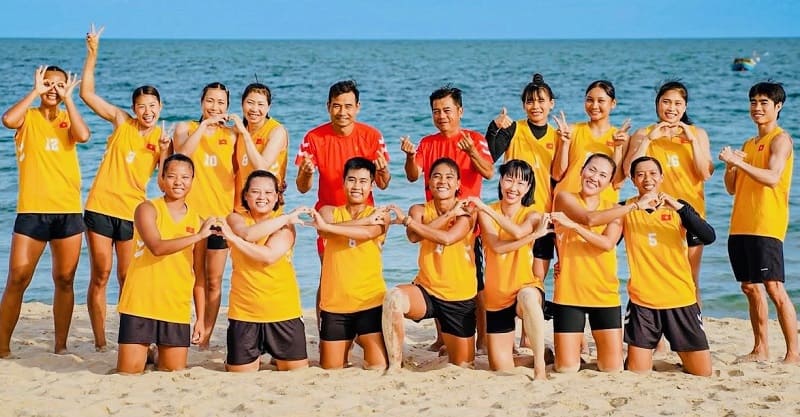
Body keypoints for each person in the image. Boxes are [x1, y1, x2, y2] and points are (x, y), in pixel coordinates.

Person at [80, 24, 171, 351]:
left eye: (153, 106)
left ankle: (132, 337)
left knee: (127, 277)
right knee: (101, 274)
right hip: (101, 207)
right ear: (134, 109)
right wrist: (92, 54)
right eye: (142, 106)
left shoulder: (163, 139)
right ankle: (101, 340)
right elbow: (87, 95)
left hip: (131, 213)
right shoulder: (121, 122)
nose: (147, 111)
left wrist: (164, 153)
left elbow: (164, 184)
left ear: (160, 107)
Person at [0, 64, 89, 358]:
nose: (53, 89)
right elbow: (7, 120)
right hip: (32, 212)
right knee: (17, 278)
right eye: (47, 84)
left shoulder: (67, 118)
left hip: (67, 212)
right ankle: (2, 347)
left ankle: (61, 346)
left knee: (64, 279)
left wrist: (70, 100)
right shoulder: (28, 117)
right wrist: (34, 92)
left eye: (59, 85)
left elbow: (84, 135)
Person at [401, 85, 493, 353]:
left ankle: (484, 338)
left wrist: (471, 152)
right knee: (435, 275)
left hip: (467, 221)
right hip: (434, 219)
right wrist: (409, 156)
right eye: (436, 111)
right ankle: (442, 337)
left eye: (447, 110)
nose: (442, 115)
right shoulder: (428, 143)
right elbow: (411, 175)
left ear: (460, 111)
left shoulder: (474, 138)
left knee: (477, 283)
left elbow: (488, 172)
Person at [719, 81, 800, 364]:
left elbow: (772, 177)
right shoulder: (748, 144)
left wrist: (738, 163)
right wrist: (730, 166)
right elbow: (732, 188)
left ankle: (793, 353)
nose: (757, 107)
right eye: (754, 102)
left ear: (778, 107)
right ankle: (760, 349)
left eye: (764, 102)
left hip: (766, 225)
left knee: (774, 288)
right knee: (749, 287)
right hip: (740, 224)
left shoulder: (781, 139)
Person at [115, 154, 215, 374]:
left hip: (175, 307)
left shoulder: (197, 221)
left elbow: (199, 275)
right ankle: (147, 349)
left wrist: (200, 319)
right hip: (140, 303)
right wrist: (198, 236)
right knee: (128, 373)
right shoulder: (147, 209)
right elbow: (157, 247)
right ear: (161, 179)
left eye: (185, 177)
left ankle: (155, 350)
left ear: (193, 180)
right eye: (171, 176)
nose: (178, 182)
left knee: (172, 371)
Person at [622, 156, 715, 376]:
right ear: (633, 179)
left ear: (662, 177)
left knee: (702, 373)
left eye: (653, 173)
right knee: (638, 372)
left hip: (680, 299)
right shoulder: (626, 209)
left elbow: (708, 236)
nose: (647, 179)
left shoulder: (679, 207)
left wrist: (679, 207)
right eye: (641, 174)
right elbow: (603, 242)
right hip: (642, 301)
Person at [383, 158, 478, 370]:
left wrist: (410, 221)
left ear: (458, 184)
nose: (442, 181)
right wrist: (447, 215)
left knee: (463, 364)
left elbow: (447, 238)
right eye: (436, 176)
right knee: (394, 298)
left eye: (449, 177)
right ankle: (395, 365)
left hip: (458, 296)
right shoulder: (419, 210)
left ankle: (450, 348)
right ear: (429, 181)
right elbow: (413, 237)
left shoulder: (468, 211)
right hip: (426, 290)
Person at [623, 81, 713, 303]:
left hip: (689, 212)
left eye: (677, 103)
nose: (671, 108)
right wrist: (649, 140)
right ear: (657, 105)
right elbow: (628, 171)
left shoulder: (697, 133)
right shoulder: (643, 133)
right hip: (654, 214)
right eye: (666, 102)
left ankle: (693, 331)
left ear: (684, 107)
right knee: (654, 275)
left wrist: (692, 141)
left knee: (690, 278)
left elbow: (705, 173)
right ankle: (657, 335)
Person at [467, 160, 551, 380]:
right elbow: (496, 247)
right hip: (497, 294)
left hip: (526, 286)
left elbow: (516, 233)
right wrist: (534, 237)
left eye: (521, 182)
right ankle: (540, 356)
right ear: (501, 180)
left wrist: (484, 207)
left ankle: (540, 367)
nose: (514, 187)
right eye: (509, 179)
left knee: (527, 296)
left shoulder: (532, 214)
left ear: (529, 186)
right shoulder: (487, 213)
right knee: (499, 366)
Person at [219, 170, 309, 372]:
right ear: (245, 195)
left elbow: (268, 256)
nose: (262, 197)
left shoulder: (285, 227)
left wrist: (233, 240)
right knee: (239, 373)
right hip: (245, 312)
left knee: (296, 371)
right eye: (256, 192)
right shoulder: (235, 218)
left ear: (277, 196)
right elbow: (248, 234)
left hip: (282, 310)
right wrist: (286, 217)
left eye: (269, 192)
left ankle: (275, 356)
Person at [309, 157, 390, 370]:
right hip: (335, 307)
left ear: (372, 185)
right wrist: (329, 226)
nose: (357, 186)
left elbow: (368, 233)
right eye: (351, 180)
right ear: (343, 182)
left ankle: (369, 340)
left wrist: (330, 228)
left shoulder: (380, 215)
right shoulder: (328, 211)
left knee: (377, 367)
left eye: (363, 181)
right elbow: (323, 228)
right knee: (331, 368)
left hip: (370, 304)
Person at [295, 79, 391, 257]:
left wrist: (383, 171)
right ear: (328, 107)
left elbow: (383, 184)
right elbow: (302, 188)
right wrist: (306, 173)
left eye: (348, 106)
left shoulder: (372, 136)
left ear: (357, 107)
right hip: (329, 216)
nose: (343, 112)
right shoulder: (314, 137)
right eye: (337, 106)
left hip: (363, 216)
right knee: (329, 277)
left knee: (362, 275)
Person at [173, 82, 237, 349]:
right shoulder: (185, 128)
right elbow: (180, 158)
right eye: (210, 101)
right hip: (190, 217)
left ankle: (205, 333)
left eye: (221, 103)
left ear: (227, 106)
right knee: (190, 275)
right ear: (201, 102)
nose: (215, 107)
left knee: (213, 279)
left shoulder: (232, 137)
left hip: (220, 218)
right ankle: (187, 324)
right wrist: (203, 127)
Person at [550, 154, 626, 373]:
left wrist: (573, 228)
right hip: (569, 292)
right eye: (591, 170)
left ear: (610, 181)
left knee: (611, 368)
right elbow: (589, 218)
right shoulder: (565, 198)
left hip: (604, 292)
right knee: (566, 369)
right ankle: (562, 352)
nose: (595, 177)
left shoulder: (614, 209)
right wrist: (632, 207)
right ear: (582, 170)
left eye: (603, 175)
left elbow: (607, 244)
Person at [552, 80, 630, 203]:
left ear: (613, 103)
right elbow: (557, 175)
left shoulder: (621, 137)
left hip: (602, 206)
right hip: (568, 202)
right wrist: (564, 143)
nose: (594, 106)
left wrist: (618, 147)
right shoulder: (571, 130)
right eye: (589, 100)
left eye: (601, 101)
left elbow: (617, 183)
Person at [231, 82, 288, 212]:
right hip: (241, 205)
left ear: (269, 107)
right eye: (250, 103)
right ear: (242, 104)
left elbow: (262, 167)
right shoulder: (237, 131)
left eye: (261, 104)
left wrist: (244, 134)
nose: (254, 109)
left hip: (267, 206)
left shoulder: (276, 131)